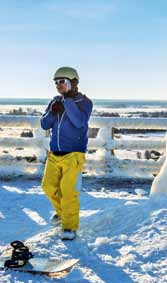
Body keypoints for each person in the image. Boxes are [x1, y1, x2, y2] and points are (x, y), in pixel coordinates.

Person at [40, 67, 93, 240]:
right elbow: (44, 124)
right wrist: (52, 111)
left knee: (69, 191)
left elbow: (79, 122)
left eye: (62, 81)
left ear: (73, 82)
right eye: (56, 82)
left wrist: (68, 102)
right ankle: (63, 214)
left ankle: (69, 227)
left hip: (74, 155)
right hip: (54, 154)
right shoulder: (55, 100)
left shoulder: (84, 102)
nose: (58, 85)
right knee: (48, 186)